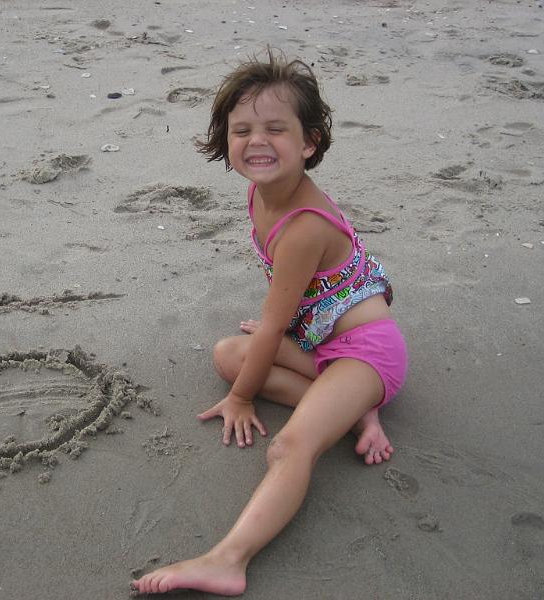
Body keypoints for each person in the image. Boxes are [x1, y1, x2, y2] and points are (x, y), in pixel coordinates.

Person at [131, 48, 408, 596]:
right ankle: (357, 415)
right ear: (225, 139)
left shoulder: (303, 225)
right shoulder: (262, 191)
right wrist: (263, 349)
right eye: (242, 130)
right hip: (322, 341)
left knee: (288, 446)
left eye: (276, 129)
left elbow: (274, 324)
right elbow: (284, 311)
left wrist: (241, 399)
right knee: (228, 356)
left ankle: (228, 560)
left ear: (309, 142)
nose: (257, 141)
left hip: (367, 354)